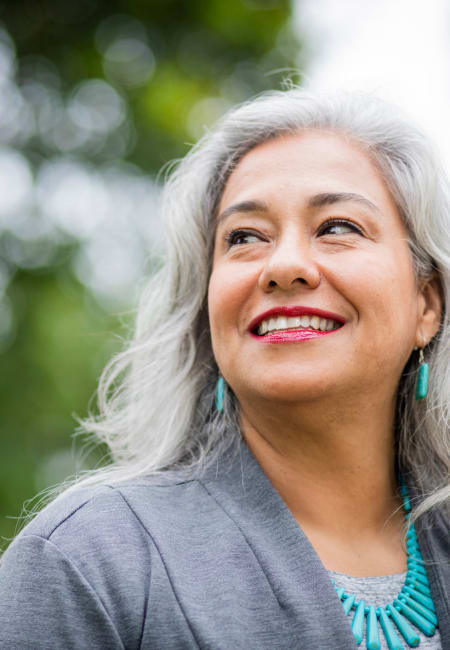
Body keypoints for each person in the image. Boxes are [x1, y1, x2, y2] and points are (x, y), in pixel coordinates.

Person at [0, 88, 448, 650]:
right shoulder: (85, 562)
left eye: (337, 226)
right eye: (244, 238)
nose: (284, 265)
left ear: (426, 305)